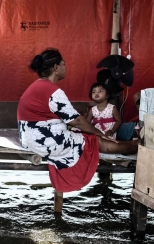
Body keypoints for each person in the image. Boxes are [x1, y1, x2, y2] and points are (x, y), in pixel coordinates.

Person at [17, 48, 138, 193]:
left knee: (82, 134)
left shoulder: (37, 86)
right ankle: (135, 146)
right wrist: (100, 134)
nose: (65, 68)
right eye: (63, 64)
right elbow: (78, 121)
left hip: (29, 139)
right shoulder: (52, 91)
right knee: (94, 140)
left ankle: (129, 144)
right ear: (56, 68)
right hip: (44, 142)